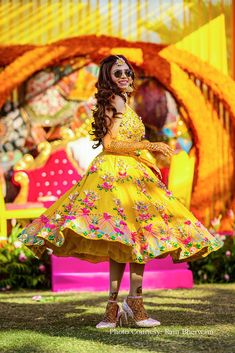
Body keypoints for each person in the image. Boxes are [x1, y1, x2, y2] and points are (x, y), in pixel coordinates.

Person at [17, 54, 224, 329]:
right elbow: (110, 144)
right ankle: (124, 306)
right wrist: (148, 146)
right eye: (118, 73)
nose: (125, 76)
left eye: (127, 71)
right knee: (130, 238)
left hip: (133, 174)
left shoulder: (124, 102)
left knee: (129, 239)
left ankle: (122, 306)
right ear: (108, 78)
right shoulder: (112, 101)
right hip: (115, 174)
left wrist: (147, 151)